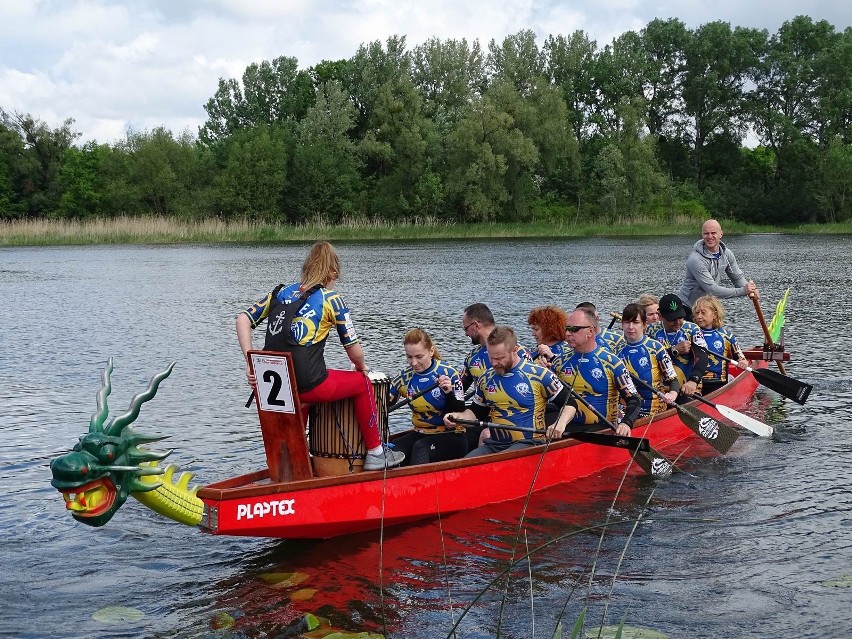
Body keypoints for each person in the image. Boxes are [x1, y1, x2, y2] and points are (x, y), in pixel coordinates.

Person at [236, 241, 404, 471]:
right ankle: (376, 453)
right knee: (361, 383)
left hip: (275, 384)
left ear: (306, 267)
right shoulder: (331, 299)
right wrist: (361, 366)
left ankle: (298, 458)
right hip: (309, 383)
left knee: (301, 395)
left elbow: (243, 319)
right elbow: (353, 348)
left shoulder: (280, 292)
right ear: (333, 272)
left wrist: (250, 362)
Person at [443, 326, 576, 457]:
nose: (494, 363)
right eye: (491, 357)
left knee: (497, 462)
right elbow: (476, 412)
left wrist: (560, 423)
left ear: (515, 350)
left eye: (500, 358)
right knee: (466, 465)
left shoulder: (540, 375)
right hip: (495, 444)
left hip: (530, 443)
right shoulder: (486, 378)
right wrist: (457, 417)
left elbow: (570, 403)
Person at [553, 307, 641, 436]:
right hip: (566, 429)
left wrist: (626, 423)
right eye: (566, 328)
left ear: (590, 331)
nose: (567, 334)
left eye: (574, 329)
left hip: (602, 429)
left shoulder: (612, 363)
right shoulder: (559, 362)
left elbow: (634, 399)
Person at [388, 328, 467, 465]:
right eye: (409, 357)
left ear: (431, 352)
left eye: (419, 357)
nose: (413, 363)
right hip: (421, 433)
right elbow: (384, 406)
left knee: (421, 448)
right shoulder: (403, 378)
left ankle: (416, 485)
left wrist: (448, 392)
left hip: (451, 435)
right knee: (390, 449)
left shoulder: (450, 373)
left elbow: (460, 409)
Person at [678, 219, 760, 307]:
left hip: (706, 307)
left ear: (721, 234)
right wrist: (743, 291)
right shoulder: (695, 260)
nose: (710, 236)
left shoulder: (727, 254)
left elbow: (737, 278)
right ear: (702, 235)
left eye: (713, 233)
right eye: (706, 233)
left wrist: (750, 289)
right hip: (688, 307)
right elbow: (712, 290)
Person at [617, 303, 680, 415]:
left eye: (636, 322)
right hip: (626, 410)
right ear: (622, 324)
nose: (630, 327)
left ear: (644, 324)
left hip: (652, 410)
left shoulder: (656, 348)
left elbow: (673, 380)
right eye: (627, 322)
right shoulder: (617, 350)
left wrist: (673, 394)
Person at [648, 293, 708, 403]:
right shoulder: (651, 330)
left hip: (687, 388)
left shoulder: (692, 329)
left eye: (680, 317)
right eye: (672, 319)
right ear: (660, 316)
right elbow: (648, 359)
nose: (677, 322)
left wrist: (693, 381)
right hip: (662, 389)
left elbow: (703, 357)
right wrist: (674, 351)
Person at [691, 294, 749, 394]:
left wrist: (743, 363)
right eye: (697, 313)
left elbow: (741, 358)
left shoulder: (726, 337)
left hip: (717, 383)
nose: (699, 316)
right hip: (694, 383)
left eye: (703, 313)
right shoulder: (689, 334)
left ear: (714, 315)